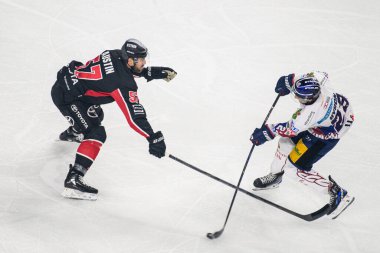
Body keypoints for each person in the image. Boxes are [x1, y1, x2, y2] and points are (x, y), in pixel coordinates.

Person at [51, 38, 177, 200]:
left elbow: (119, 72)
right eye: (141, 60)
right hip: (68, 98)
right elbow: (134, 117)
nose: (144, 62)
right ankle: (74, 179)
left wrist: (152, 72)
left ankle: (75, 132)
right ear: (130, 60)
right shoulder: (123, 84)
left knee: (96, 115)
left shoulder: (115, 55)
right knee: (96, 133)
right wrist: (152, 138)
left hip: (72, 88)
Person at [250, 71, 355, 218]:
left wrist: (267, 132)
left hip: (325, 136)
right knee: (285, 143)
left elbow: (290, 129)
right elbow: (320, 73)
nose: (296, 97)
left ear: (309, 98)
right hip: (338, 117)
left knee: (294, 168)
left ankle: (338, 194)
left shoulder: (309, 114)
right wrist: (290, 80)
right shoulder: (320, 81)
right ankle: (275, 176)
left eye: (299, 96)